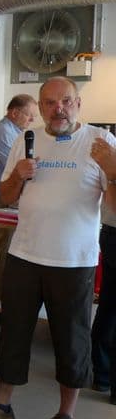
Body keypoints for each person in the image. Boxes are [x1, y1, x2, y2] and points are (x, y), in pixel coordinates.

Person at [0, 76, 116, 419]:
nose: (58, 109)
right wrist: (18, 175)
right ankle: (1, 408)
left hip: (74, 261)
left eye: (65, 101)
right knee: (13, 335)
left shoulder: (100, 142)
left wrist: (113, 171)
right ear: (40, 107)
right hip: (25, 255)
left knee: (72, 342)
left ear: (78, 104)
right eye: (49, 103)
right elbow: (5, 196)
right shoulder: (26, 138)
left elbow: (114, 207)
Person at [0, 94, 38, 309]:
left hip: (12, 198)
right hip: (4, 198)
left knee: (11, 251)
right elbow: (16, 169)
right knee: (6, 253)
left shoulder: (16, 133)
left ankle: (0, 300)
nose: (32, 120)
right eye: (29, 115)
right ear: (15, 112)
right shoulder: (3, 133)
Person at [91, 143, 116, 404]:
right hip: (113, 232)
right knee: (109, 309)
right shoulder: (109, 152)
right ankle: (104, 374)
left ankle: (102, 374)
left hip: (110, 232)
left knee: (108, 307)